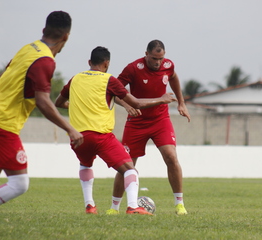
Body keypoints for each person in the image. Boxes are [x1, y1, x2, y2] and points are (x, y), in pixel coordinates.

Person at [0, 11, 84, 221]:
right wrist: (70, 128)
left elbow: (4, 75)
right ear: (66, 37)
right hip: (3, 122)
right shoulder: (45, 61)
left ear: (44, 30)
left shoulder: (29, 48)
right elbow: (43, 101)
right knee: (19, 184)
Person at [55, 46, 176, 215]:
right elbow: (137, 103)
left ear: (89, 62)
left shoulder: (75, 79)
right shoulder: (108, 80)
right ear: (107, 64)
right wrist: (161, 99)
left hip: (77, 138)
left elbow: (58, 103)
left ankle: (90, 205)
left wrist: (78, 107)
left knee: (85, 165)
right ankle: (133, 206)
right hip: (100, 137)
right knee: (130, 170)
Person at [106, 40, 191, 216]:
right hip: (136, 122)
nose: (158, 62)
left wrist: (181, 103)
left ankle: (179, 205)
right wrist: (127, 106)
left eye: (160, 58)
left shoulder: (168, 65)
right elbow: (114, 90)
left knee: (171, 156)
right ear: (146, 54)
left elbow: (173, 77)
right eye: (154, 58)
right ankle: (114, 208)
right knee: (126, 164)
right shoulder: (133, 68)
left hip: (161, 120)